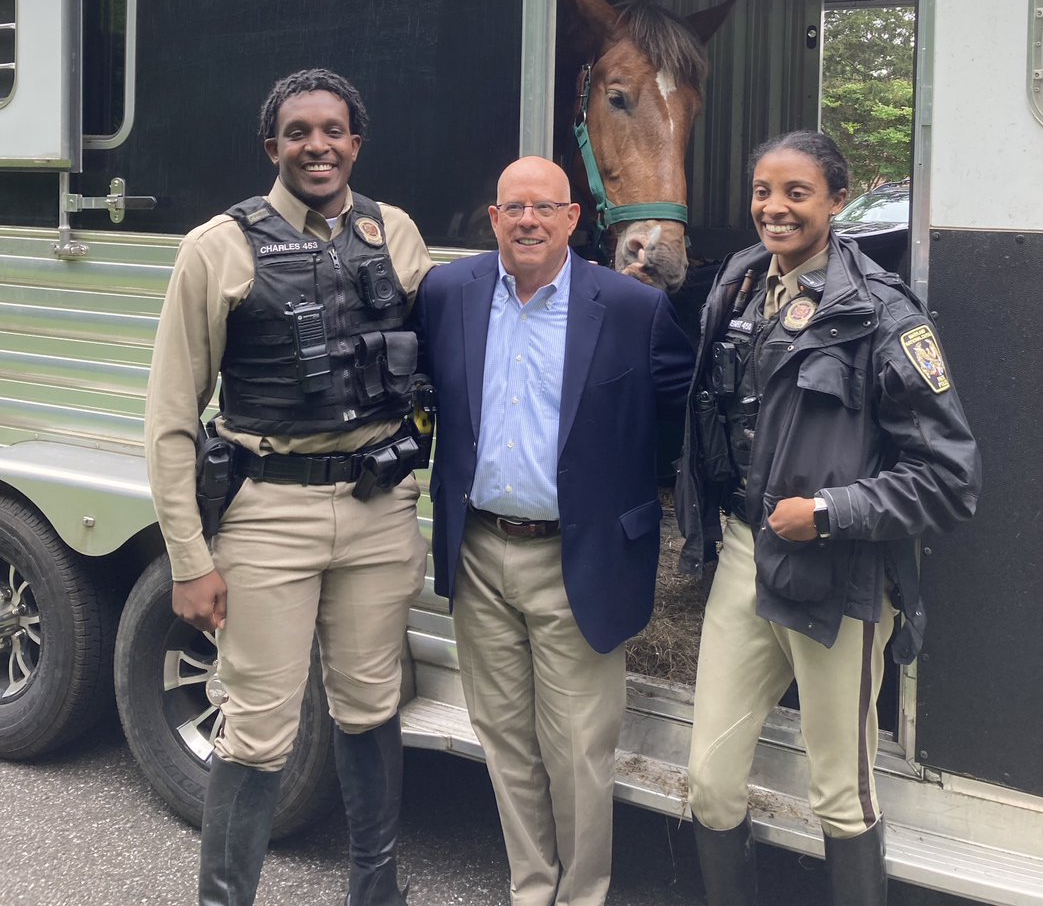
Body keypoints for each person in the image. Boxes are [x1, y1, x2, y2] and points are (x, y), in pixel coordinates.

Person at [144, 68, 432, 906]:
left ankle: (375, 891)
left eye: (333, 130)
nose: (318, 145)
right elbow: (171, 417)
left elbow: (440, 361)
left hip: (379, 511)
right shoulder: (217, 248)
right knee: (260, 732)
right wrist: (189, 558)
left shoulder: (397, 234)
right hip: (268, 511)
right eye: (298, 131)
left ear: (356, 141)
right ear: (272, 146)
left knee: (371, 705)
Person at [675, 131, 980, 906]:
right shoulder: (739, 285)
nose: (772, 209)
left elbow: (948, 478)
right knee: (708, 783)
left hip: (835, 575)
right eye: (761, 192)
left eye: (796, 193)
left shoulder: (881, 315)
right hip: (743, 557)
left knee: (838, 795)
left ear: (836, 201)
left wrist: (828, 510)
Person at [412, 156, 695, 906]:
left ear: (574, 220)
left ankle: (582, 896)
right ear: (495, 219)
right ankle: (530, 889)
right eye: (514, 208)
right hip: (477, 551)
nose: (528, 220)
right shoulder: (449, 292)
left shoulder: (628, 308)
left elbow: (689, 413)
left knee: (577, 752)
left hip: (581, 555)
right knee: (503, 742)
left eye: (545, 207)